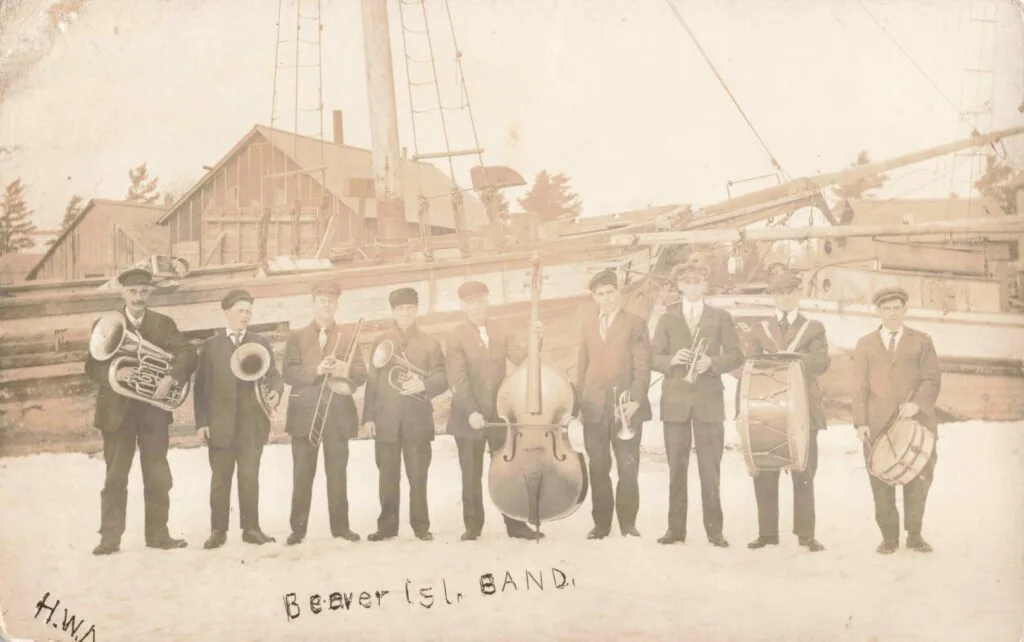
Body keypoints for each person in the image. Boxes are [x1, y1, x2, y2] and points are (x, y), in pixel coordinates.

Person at [84, 267, 198, 555]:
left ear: (151, 293)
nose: (138, 297)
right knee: (115, 477)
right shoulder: (107, 323)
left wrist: (170, 378)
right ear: (123, 293)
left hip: (152, 413)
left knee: (158, 475)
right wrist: (115, 374)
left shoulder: (163, 324)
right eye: (133, 292)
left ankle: (158, 534)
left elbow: (188, 353)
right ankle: (110, 538)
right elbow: (92, 364)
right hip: (117, 412)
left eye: (144, 292)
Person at [651, 254, 743, 547]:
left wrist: (712, 363)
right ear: (679, 285)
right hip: (676, 401)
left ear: (705, 285)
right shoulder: (667, 318)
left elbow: (736, 355)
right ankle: (675, 530)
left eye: (698, 282)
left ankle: (714, 530)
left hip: (708, 401)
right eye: (687, 282)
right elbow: (652, 357)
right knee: (677, 469)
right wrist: (670, 360)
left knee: (709, 470)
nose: (692, 287)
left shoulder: (721, 317)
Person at [445, 280, 542, 541]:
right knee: (471, 473)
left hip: (498, 415)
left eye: (481, 301)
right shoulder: (455, 336)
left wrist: (536, 338)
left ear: (488, 302)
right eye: (471, 303)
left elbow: (521, 358)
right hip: (469, 417)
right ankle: (473, 527)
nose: (477, 307)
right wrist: (471, 411)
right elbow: (458, 378)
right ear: (463, 306)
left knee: (507, 470)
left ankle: (515, 526)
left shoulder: (500, 329)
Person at [742, 271, 829, 553]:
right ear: (774, 297)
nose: (786, 298)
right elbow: (748, 370)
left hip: (803, 409)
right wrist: (741, 411)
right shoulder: (760, 330)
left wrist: (793, 359)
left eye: (791, 292)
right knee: (766, 469)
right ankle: (767, 533)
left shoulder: (813, 328)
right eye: (780, 293)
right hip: (766, 407)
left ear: (798, 294)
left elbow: (821, 362)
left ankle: (806, 534)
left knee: (804, 470)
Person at [853, 286, 941, 554]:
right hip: (878, 424)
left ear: (904, 310)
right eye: (886, 309)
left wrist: (917, 404)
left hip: (917, 422)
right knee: (880, 480)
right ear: (878, 311)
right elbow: (860, 386)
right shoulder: (865, 343)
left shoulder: (922, 340)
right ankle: (889, 538)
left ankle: (914, 534)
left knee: (918, 478)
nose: (892, 314)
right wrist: (861, 422)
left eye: (896, 308)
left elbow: (932, 378)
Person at [193, 288, 283, 549]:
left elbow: (274, 376)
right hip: (220, 425)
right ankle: (218, 531)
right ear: (227, 313)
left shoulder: (260, 343)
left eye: (248, 311)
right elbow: (201, 389)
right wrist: (202, 423)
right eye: (240, 311)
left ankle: (251, 529)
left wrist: (276, 392)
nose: (245, 316)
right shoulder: (211, 347)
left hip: (251, 424)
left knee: (249, 477)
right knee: (220, 480)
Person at [282, 281, 366, 546]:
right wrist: (317, 370)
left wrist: (344, 369)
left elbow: (361, 373)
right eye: (321, 300)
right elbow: (289, 373)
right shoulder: (296, 337)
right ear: (313, 303)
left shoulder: (350, 335)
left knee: (337, 473)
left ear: (337, 304)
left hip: (337, 414)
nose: (326, 304)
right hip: (305, 415)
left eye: (331, 300)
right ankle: (298, 529)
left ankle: (341, 528)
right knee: (302, 473)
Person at [363, 287, 447, 542]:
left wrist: (424, 385)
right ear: (393, 312)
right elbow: (372, 382)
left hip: (417, 419)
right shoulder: (381, 341)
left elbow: (442, 377)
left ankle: (421, 526)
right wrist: (368, 417)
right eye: (401, 309)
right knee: (387, 476)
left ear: (416, 310)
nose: (406, 313)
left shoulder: (430, 342)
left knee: (418, 475)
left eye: (410, 308)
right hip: (386, 419)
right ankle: (387, 527)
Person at [575, 269, 652, 539]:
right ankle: (601, 524)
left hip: (625, 408)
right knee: (598, 467)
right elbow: (581, 367)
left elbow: (643, 366)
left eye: (610, 293)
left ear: (618, 294)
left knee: (628, 468)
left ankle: (628, 524)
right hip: (594, 406)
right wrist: (578, 405)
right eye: (601, 294)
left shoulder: (635, 323)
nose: (606, 299)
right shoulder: (587, 324)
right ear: (594, 298)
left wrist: (635, 401)